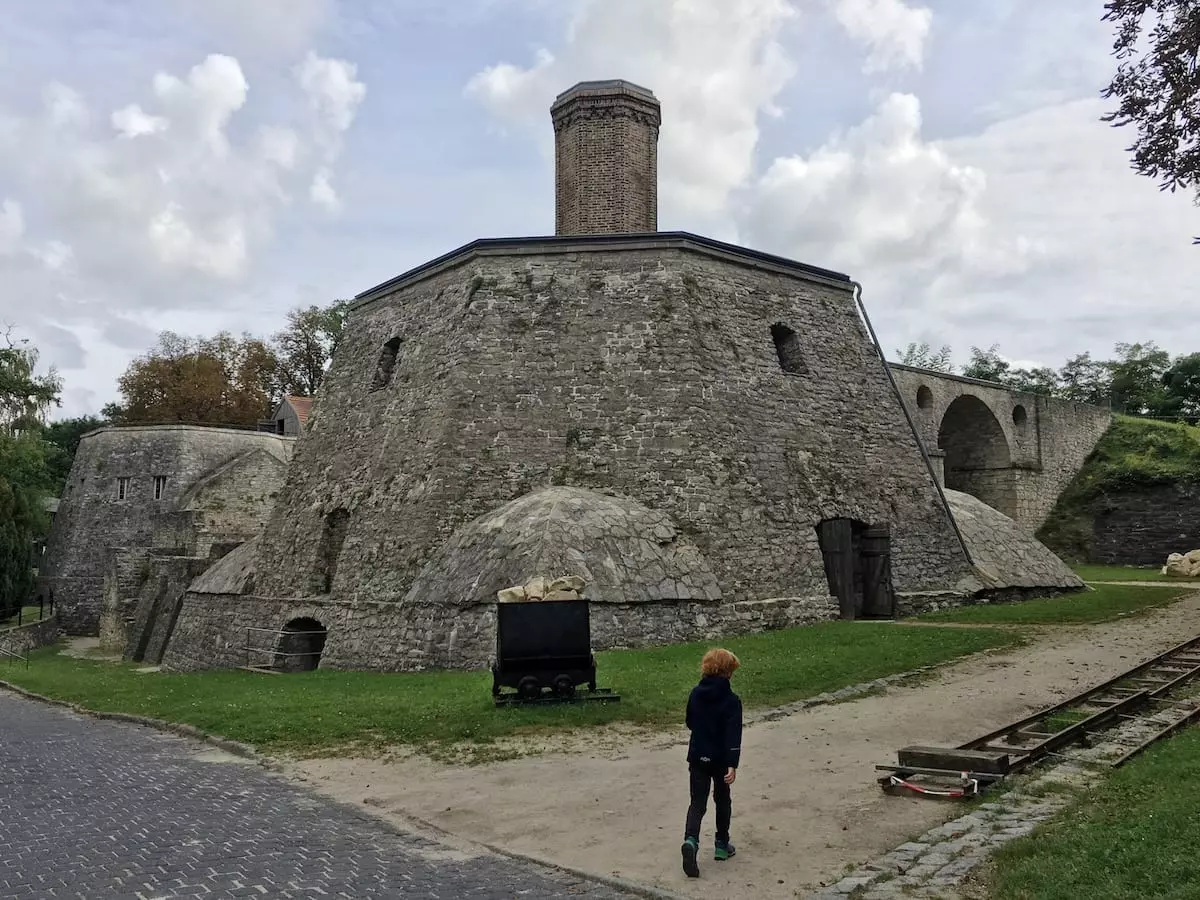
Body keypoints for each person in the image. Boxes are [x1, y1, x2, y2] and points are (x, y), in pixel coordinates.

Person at [680, 647, 743, 878]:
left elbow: (689, 721)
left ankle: (691, 840)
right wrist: (732, 763)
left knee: (697, 801)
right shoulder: (732, 700)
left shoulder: (696, 694)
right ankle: (721, 843)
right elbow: (733, 734)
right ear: (727, 673)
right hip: (720, 758)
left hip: (698, 755)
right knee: (722, 798)